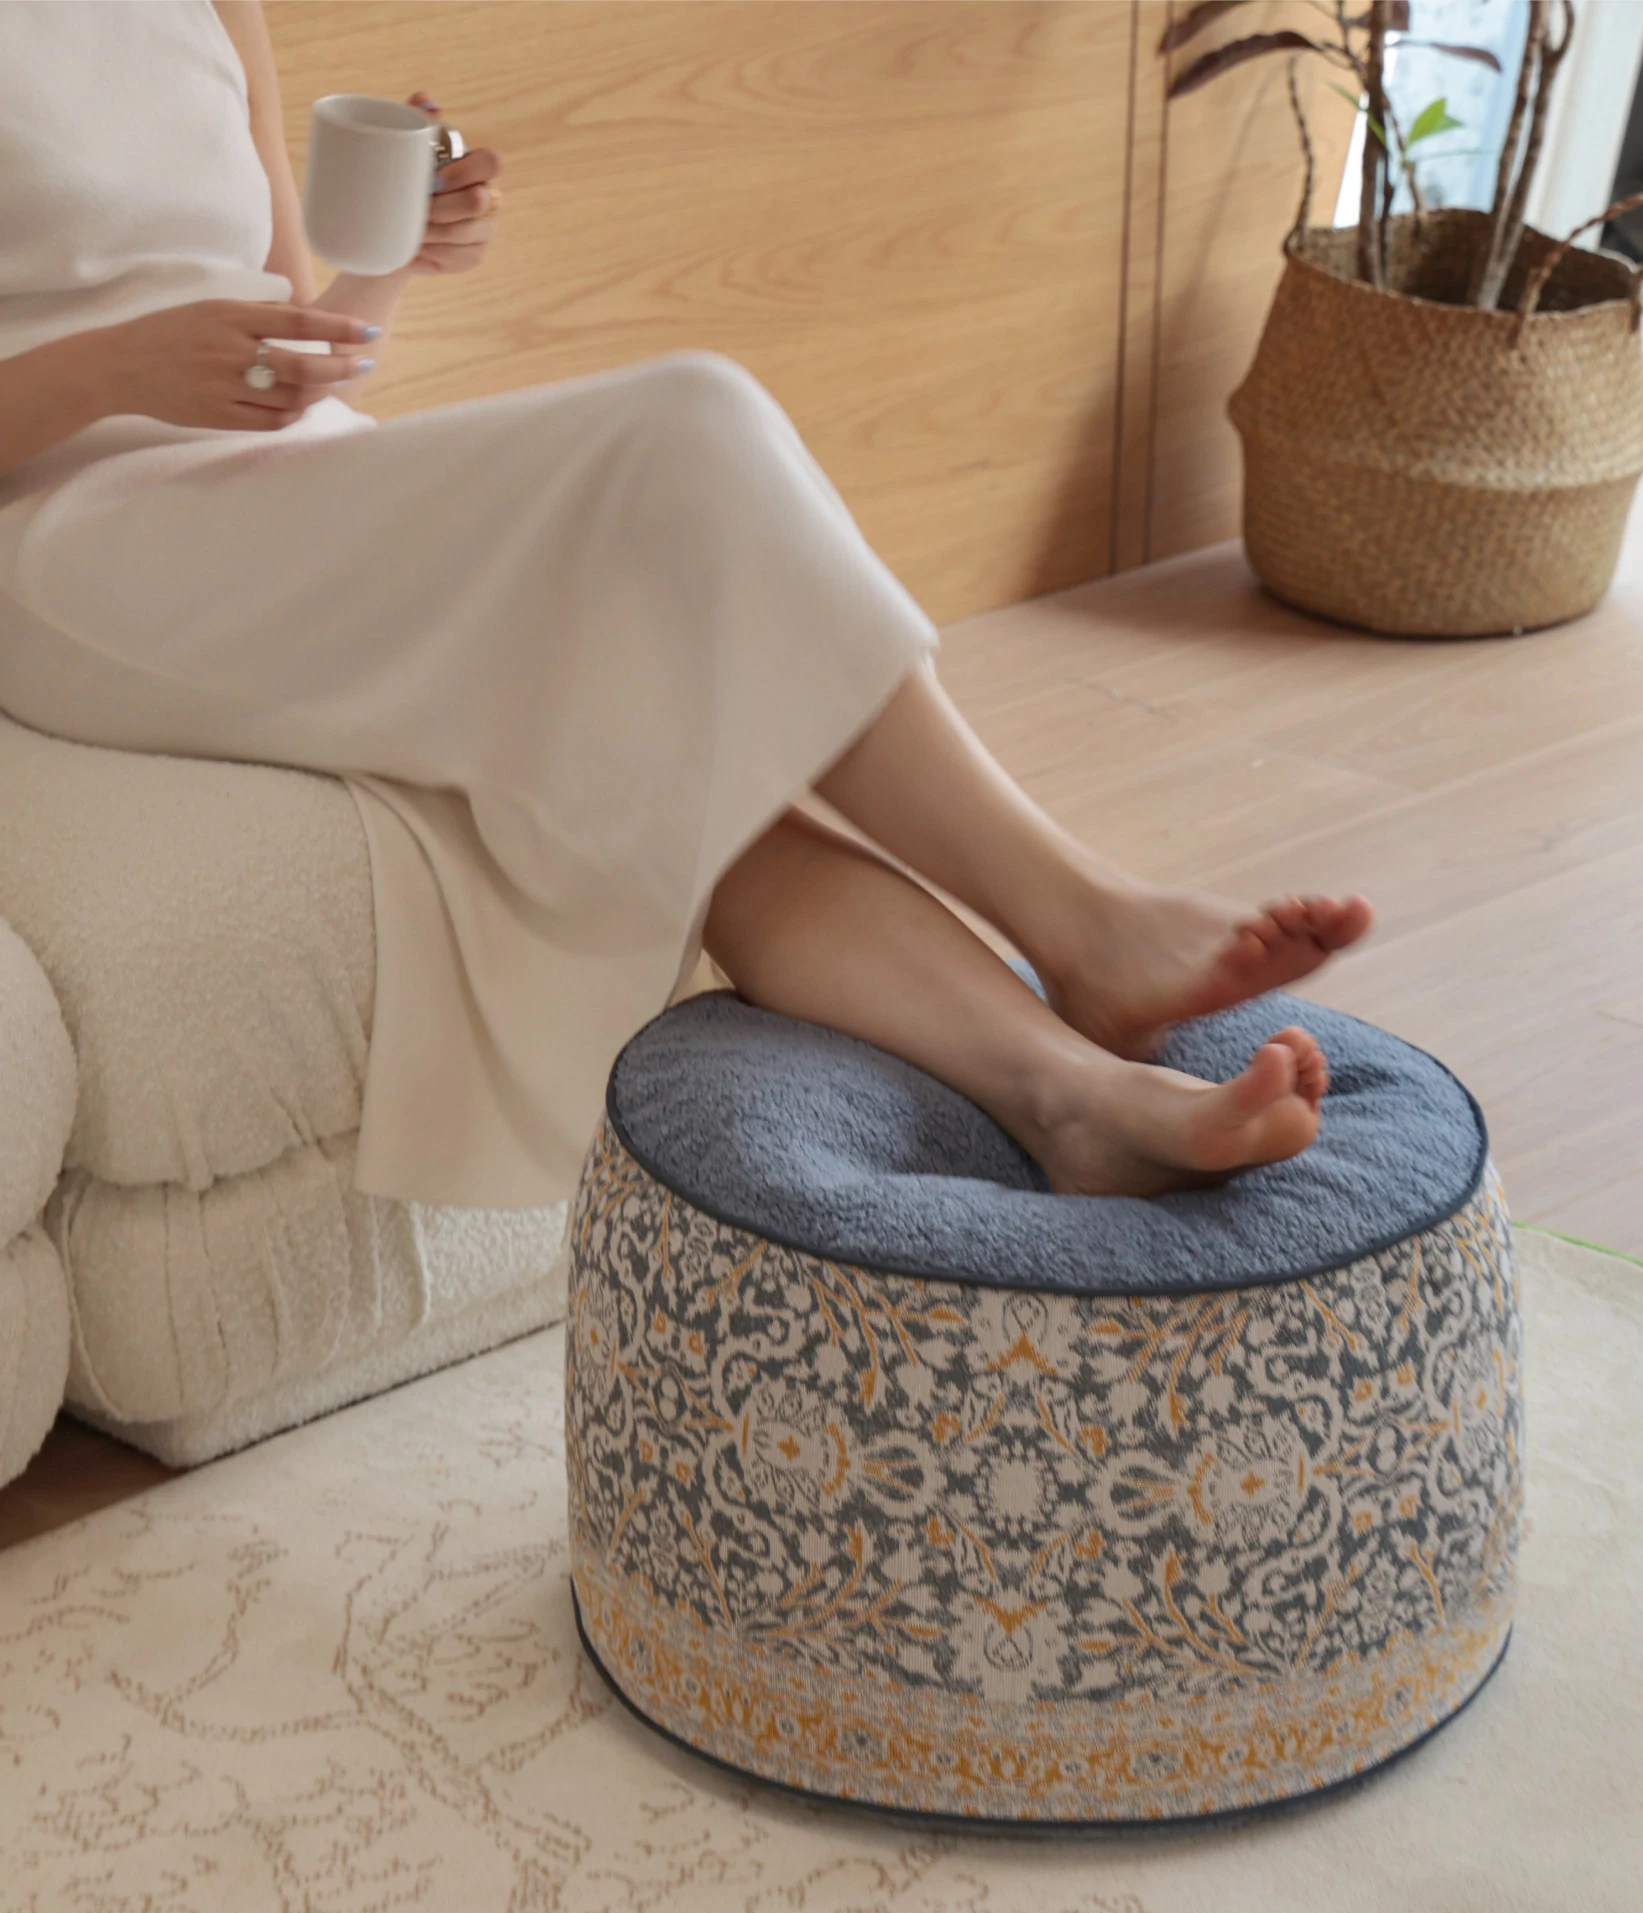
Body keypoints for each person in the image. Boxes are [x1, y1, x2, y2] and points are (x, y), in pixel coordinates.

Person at [0, 0, 1372, 1212]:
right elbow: (141, 362)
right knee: (688, 421)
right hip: (68, 536)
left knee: (662, 750)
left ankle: (1075, 1101)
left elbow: (287, 333)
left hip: (276, 479)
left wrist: (392, 257)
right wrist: (109, 370)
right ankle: (1081, 917)